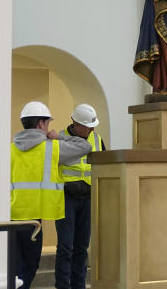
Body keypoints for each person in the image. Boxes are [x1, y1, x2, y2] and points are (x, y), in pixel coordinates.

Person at [11, 101, 92, 289]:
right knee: (28, 267)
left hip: (10, 218)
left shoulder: (10, 150)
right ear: (41, 124)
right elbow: (84, 146)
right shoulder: (52, 148)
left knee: (13, 269)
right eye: (47, 123)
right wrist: (57, 138)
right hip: (33, 222)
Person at [55, 103, 105, 289]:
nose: (92, 129)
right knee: (65, 247)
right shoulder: (60, 139)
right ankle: (62, 286)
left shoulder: (97, 139)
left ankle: (78, 286)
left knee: (82, 248)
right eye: (88, 126)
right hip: (66, 198)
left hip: (88, 199)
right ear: (75, 124)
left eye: (93, 126)